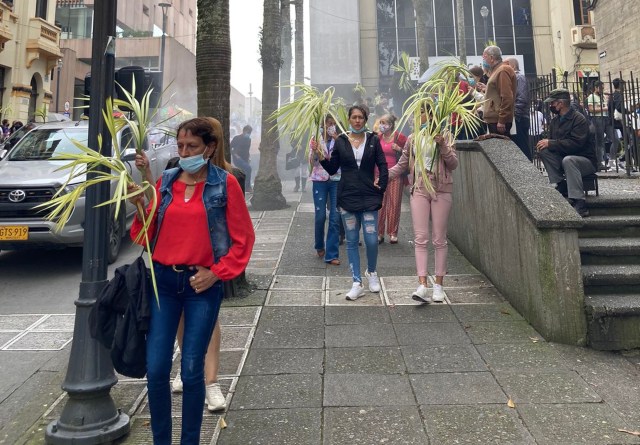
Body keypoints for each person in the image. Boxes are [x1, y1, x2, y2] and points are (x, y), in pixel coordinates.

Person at [128, 117, 255, 444]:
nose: (184, 153)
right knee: (156, 370)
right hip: (163, 285)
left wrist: (217, 272)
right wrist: (140, 206)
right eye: (181, 146)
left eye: (192, 147)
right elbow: (146, 235)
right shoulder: (166, 182)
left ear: (209, 148)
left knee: (191, 370)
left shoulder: (225, 184)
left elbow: (243, 239)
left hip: (202, 288)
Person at [315, 105, 388, 301]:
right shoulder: (341, 141)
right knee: (352, 240)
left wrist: (381, 185)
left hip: (369, 196)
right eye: (354, 117)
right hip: (347, 196)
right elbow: (332, 169)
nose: (357, 121)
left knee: (372, 239)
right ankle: (356, 282)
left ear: (365, 119)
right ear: (349, 120)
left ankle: (371, 272)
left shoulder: (373, 140)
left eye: (360, 117)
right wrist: (320, 154)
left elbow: (382, 164)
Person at [388, 107, 458, 303]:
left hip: (441, 189)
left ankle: (438, 285)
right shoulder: (413, 138)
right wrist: (385, 176)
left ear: (432, 115)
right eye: (415, 115)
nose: (416, 118)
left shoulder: (445, 135)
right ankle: (422, 284)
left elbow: (453, 164)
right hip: (419, 187)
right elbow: (403, 164)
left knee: (439, 238)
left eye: (421, 114)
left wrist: (442, 145)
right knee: (420, 237)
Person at [536, 89, 596, 218]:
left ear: (561, 103)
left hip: (584, 160)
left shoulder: (578, 119)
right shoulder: (555, 121)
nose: (550, 106)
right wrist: (546, 144)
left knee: (569, 160)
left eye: (552, 103)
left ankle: (580, 202)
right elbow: (554, 144)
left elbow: (576, 144)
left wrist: (552, 143)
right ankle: (561, 183)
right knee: (544, 149)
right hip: (564, 158)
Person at [309, 116, 341, 265]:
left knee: (335, 217)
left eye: (334, 124)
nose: (332, 126)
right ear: (323, 125)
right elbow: (312, 162)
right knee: (320, 216)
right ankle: (319, 244)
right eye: (329, 124)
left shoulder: (340, 139)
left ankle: (332, 253)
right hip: (319, 179)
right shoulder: (316, 137)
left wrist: (339, 141)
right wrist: (315, 151)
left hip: (336, 179)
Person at [377, 113, 407, 244]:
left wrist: (399, 149)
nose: (381, 125)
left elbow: (410, 153)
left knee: (394, 204)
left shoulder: (399, 137)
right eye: (380, 123)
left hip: (396, 174)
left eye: (384, 123)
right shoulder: (378, 138)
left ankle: (393, 232)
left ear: (390, 125)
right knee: (380, 204)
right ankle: (379, 232)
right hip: (380, 175)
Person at [482, 45, 516, 135]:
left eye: (484, 57)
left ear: (492, 58)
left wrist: (502, 120)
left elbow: (507, 97)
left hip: (498, 121)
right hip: (494, 119)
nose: (483, 60)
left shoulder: (502, 70)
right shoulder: (497, 70)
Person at [505, 58, 531, 161]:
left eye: (506, 64)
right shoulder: (512, 79)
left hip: (519, 118)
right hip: (516, 117)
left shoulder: (519, 78)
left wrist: (514, 115)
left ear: (512, 66)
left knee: (522, 149)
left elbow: (522, 99)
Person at [587, 81, 612, 171]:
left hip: (606, 118)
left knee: (612, 138)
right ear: (596, 88)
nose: (602, 90)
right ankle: (599, 162)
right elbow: (591, 109)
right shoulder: (591, 96)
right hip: (597, 118)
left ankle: (609, 159)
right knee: (599, 141)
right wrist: (603, 108)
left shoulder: (603, 96)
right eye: (600, 88)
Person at [230, 124, 253, 192]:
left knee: (244, 172)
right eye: (248, 132)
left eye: (250, 133)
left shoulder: (248, 139)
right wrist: (235, 155)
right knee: (249, 168)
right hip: (238, 159)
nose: (249, 134)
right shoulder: (236, 138)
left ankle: (241, 188)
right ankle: (247, 187)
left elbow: (247, 150)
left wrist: (249, 157)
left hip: (245, 159)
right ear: (244, 131)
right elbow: (230, 147)